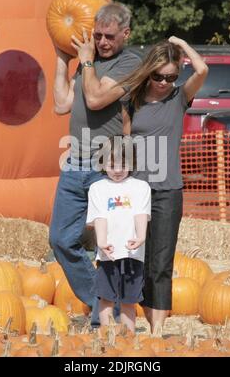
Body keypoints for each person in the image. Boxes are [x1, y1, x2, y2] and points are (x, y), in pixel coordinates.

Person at [49, 2, 141, 326]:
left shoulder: (130, 62)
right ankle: (102, 308)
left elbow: (96, 99)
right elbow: (62, 104)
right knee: (60, 239)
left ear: (125, 34)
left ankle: (108, 317)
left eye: (109, 37)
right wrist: (62, 56)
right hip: (74, 161)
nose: (101, 42)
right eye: (98, 35)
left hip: (107, 167)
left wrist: (86, 60)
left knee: (111, 245)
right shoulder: (87, 63)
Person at [119, 37, 208, 332]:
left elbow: (203, 69)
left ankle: (157, 332)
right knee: (134, 259)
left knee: (160, 263)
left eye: (171, 76)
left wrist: (181, 43)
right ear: (149, 71)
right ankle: (131, 319)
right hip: (136, 190)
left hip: (168, 191)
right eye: (158, 76)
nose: (164, 82)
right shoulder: (133, 99)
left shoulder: (179, 97)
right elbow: (125, 140)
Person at [86, 135, 151, 333]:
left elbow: (141, 214)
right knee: (105, 299)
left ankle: (128, 339)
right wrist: (102, 242)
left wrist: (141, 237)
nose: (117, 170)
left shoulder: (141, 187)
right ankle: (107, 337)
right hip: (108, 254)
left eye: (123, 164)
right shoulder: (97, 188)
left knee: (128, 302)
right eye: (112, 164)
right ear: (103, 163)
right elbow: (100, 217)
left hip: (132, 254)